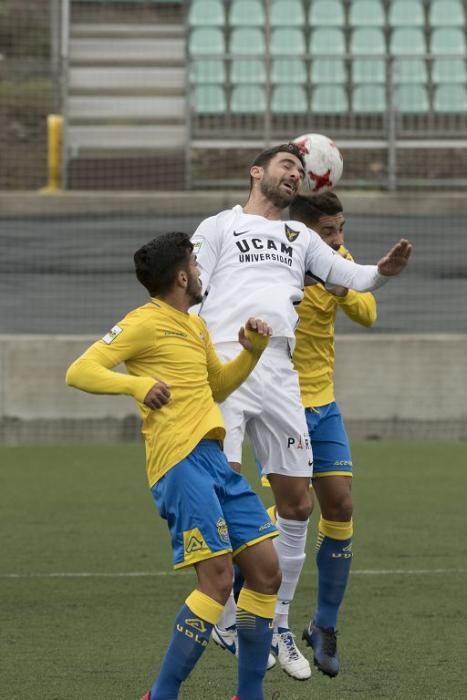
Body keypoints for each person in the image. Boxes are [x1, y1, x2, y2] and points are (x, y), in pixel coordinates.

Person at [191, 143, 412, 680]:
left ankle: (280, 623)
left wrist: (382, 271)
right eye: (284, 165)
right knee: (225, 486)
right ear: (256, 172)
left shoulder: (299, 238)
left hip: (281, 374)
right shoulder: (219, 226)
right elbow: (191, 292)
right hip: (226, 365)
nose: (292, 172)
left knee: (298, 505)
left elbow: (354, 279)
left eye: (298, 168)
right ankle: (224, 609)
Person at [65, 231, 282, 700]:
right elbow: (79, 370)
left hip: (214, 459)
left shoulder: (196, 326)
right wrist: (136, 387)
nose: (201, 274)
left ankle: (249, 694)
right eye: (197, 267)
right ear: (182, 276)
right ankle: (161, 695)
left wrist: (251, 352)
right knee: (219, 579)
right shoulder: (142, 322)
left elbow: (218, 387)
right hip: (179, 462)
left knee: (266, 570)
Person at [289, 191, 377, 677]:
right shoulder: (275, 260)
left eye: (341, 228)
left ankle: (323, 624)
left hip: (323, 403)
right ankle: (239, 572)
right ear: (303, 230)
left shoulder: (337, 260)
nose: (339, 240)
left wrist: (342, 286)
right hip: (281, 405)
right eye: (329, 232)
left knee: (340, 504)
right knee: (293, 509)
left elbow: (368, 314)